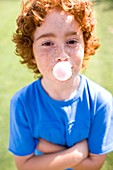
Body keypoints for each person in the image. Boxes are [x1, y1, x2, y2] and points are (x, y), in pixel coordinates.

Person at [8, 0, 113, 170]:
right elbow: (24, 165)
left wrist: (47, 147)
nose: (62, 55)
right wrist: (79, 152)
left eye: (71, 41)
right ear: (31, 52)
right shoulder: (22, 103)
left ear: (85, 45)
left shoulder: (101, 102)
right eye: (47, 43)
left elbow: (95, 164)